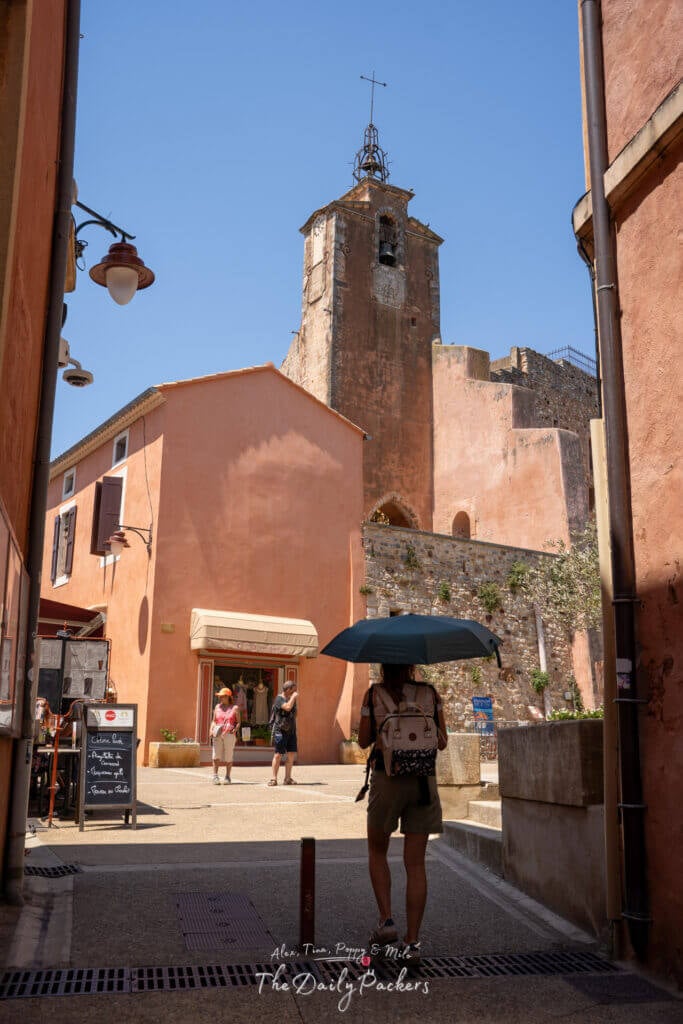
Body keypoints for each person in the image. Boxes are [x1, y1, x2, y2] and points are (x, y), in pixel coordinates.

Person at [357, 663, 447, 967]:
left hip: (387, 780)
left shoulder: (374, 695)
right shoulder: (431, 694)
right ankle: (412, 942)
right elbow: (443, 741)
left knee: (377, 850)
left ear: (383, 666)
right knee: (416, 863)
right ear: (412, 666)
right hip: (424, 782)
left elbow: (363, 740)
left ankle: (386, 921)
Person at [268, 680, 297, 786]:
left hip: (291, 730)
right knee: (278, 755)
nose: (295, 692)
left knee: (291, 754)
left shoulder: (291, 699)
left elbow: (294, 713)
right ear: (288, 689)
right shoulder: (279, 699)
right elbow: (287, 708)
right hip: (280, 731)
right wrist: (293, 697)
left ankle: (287, 778)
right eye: (293, 690)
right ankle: (274, 779)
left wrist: (292, 699)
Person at [210, 687, 240, 784]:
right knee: (216, 755)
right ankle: (215, 776)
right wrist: (211, 729)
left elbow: (239, 722)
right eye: (220, 696)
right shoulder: (217, 707)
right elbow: (214, 720)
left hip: (229, 734)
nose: (220, 698)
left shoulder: (235, 708)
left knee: (228, 756)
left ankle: (227, 776)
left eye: (222, 696)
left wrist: (236, 729)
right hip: (217, 733)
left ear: (228, 697)